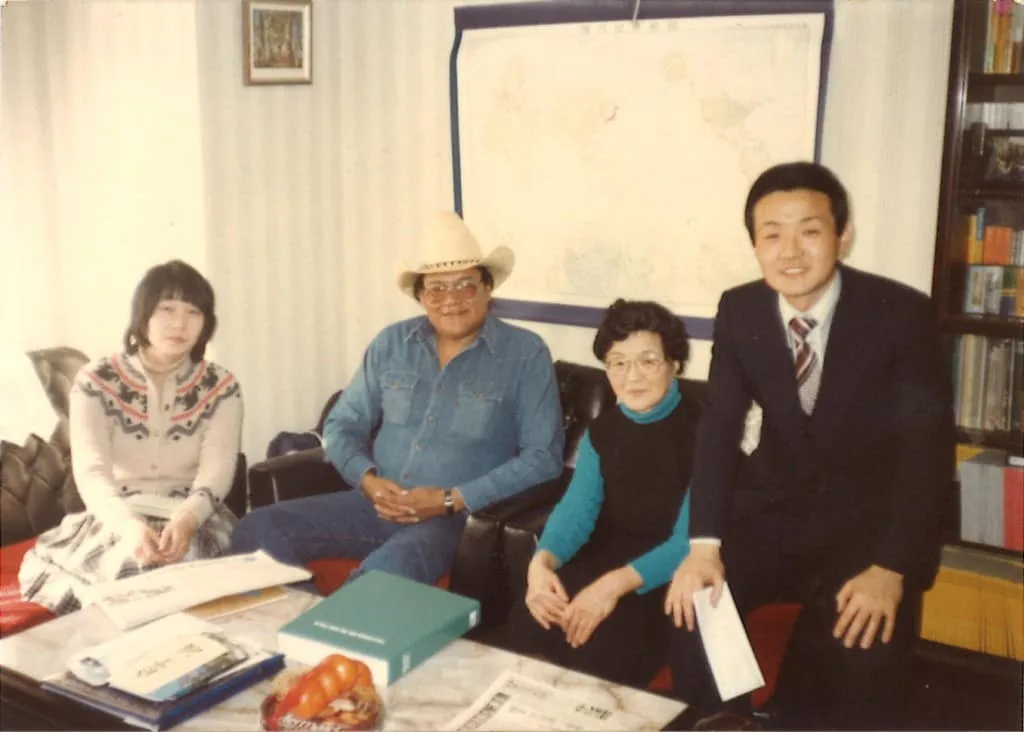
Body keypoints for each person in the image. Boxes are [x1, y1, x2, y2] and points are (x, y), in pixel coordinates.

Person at [664, 161, 954, 729]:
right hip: (775, 511)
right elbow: (719, 430)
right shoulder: (741, 308)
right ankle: (728, 721)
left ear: (843, 235)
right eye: (772, 234)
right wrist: (703, 548)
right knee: (695, 604)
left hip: (869, 523)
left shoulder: (901, 313)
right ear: (755, 244)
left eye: (810, 231)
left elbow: (927, 453)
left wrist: (890, 567)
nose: (790, 252)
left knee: (860, 655)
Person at [231, 212, 564, 587]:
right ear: (420, 296)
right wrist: (368, 480)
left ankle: (337, 618)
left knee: (382, 577)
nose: (450, 299)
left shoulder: (525, 354)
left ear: (488, 289)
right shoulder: (391, 344)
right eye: (436, 288)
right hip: (373, 506)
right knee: (255, 530)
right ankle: (304, 618)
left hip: (453, 521)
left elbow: (543, 457)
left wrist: (450, 499)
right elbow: (342, 424)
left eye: (465, 285)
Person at [19, 260, 243, 615]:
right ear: (143, 314)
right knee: (130, 571)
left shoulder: (221, 386)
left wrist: (188, 519)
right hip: (118, 513)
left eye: (193, 312)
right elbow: (91, 471)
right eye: (167, 309)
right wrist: (127, 525)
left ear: (207, 323)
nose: (180, 324)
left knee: (189, 573)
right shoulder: (95, 381)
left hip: (194, 514)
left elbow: (217, 471)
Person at [507, 299, 696, 688]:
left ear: (674, 364)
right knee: (527, 629)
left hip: (662, 577)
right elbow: (576, 513)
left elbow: (690, 543)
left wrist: (611, 587)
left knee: (595, 657)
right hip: (602, 560)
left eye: (648, 361)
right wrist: (540, 564)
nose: (632, 377)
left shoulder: (708, 434)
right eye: (618, 363)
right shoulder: (603, 432)